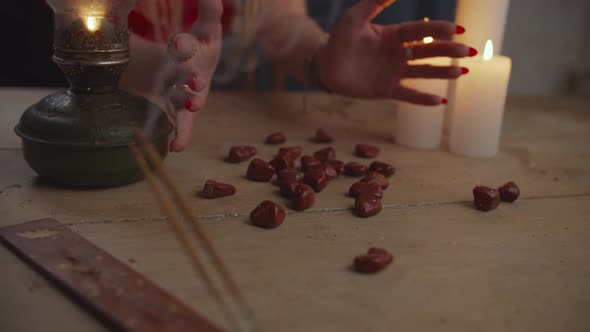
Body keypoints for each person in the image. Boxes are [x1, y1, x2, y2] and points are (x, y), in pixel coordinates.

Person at [121, 0, 477, 152]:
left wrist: (322, 58)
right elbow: (81, 29)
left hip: (232, 122)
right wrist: (169, 65)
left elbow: (279, 22)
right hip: (118, 121)